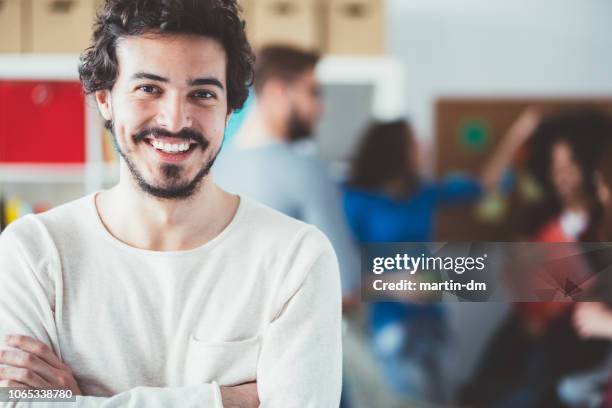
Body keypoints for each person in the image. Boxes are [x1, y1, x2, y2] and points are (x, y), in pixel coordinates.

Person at [0, 1, 342, 407]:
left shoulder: (296, 257)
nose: (175, 119)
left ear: (230, 108)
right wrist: (222, 400)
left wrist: (77, 403)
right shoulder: (33, 252)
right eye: (149, 88)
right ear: (105, 99)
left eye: (202, 93)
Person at [342, 117, 519, 402]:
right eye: (415, 141)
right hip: (390, 329)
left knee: (445, 398)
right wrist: (393, 284)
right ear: (394, 150)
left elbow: (487, 184)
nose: (424, 146)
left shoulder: (424, 193)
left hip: (433, 324)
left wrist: (519, 131)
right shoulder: (355, 201)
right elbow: (344, 280)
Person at [461, 108, 612, 407]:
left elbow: (586, 292)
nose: (562, 177)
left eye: (570, 166)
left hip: (567, 339)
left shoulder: (597, 228)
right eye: (556, 167)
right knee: (484, 385)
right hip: (530, 326)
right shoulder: (548, 218)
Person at [214, 46, 360, 302]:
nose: (320, 108)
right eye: (313, 93)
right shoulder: (305, 170)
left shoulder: (216, 165)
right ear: (277, 91)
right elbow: (345, 285)